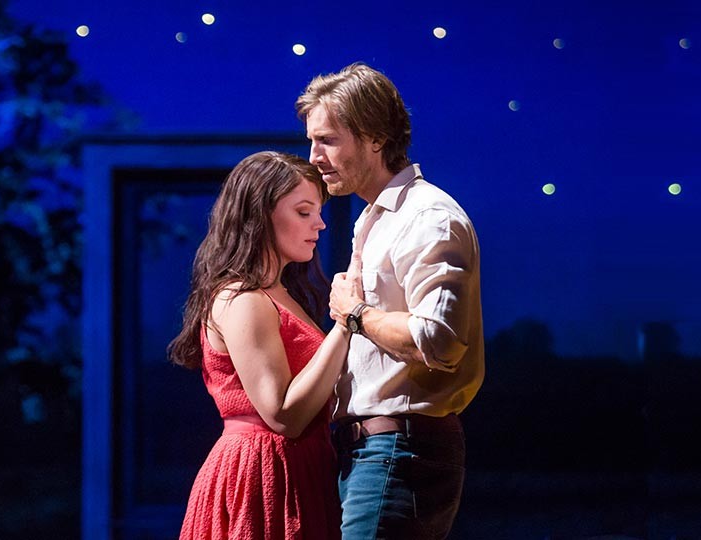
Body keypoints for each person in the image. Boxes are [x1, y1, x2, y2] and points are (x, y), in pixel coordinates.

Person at [296, 63, 485, 539]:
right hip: (373, 449)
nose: (313, 156)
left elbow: (438, 341)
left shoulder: (428, 218)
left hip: (399, 449)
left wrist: (354, 314)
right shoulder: (373, 219)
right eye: (312, 140)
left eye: (328, 140)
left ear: (375, 137)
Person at [169, 151, 349, 539]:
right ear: (260, 215)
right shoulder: (243, 298)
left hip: (300, 470)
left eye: (317, 212)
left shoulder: (280, 293)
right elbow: (283, 414)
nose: (319, 225)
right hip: (263, 475)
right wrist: (347, 323)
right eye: (303, 212)